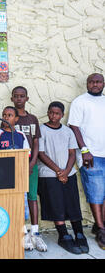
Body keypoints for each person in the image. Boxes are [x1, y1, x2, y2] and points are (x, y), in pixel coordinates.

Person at [38, 102, 88, 254]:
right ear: (48, 112)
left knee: (72, 203)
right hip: (49, 174)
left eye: (57, 113)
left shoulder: (67, 131)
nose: (54, 116)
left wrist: (66, 171)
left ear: (62, 115)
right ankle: (63, 235)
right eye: (51, 112)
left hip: (68, 173)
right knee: (56, 204)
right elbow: (41, 153)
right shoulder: (42, 129)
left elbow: (72, 153)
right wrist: (59, 171)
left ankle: (79, 233)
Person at [68, 73, 105, 249]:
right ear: (87, 84)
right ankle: (102, 230)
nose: (95, 84)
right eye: (92, 82)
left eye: (98, 82)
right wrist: (84, 150)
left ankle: (100, 225)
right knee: (95, 193)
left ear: (103, 84)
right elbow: (74, 126)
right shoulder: (80, 101)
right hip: (91, 155)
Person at [0, 106, 32, 249]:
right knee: (5, 205)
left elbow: (27, 153)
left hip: (19, 176)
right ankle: (7, 235)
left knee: (20, 205)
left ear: (16, 119)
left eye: (10, 115)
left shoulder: (20, 134)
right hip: (3, 178)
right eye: (4, 115)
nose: (6, 118)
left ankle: (22, 234)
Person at [11, 86, 47, 252]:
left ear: (27, 98)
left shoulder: (32, 119)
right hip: (14, 165)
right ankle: (22, 232)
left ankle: (35, 232)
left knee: (32, 196)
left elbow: (36, 142)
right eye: (16, 96)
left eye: (22, 96)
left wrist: (32, 163)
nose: (19, 99)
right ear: (12, 99)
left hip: (31, 164)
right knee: (19, 198)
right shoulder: (10, 118)